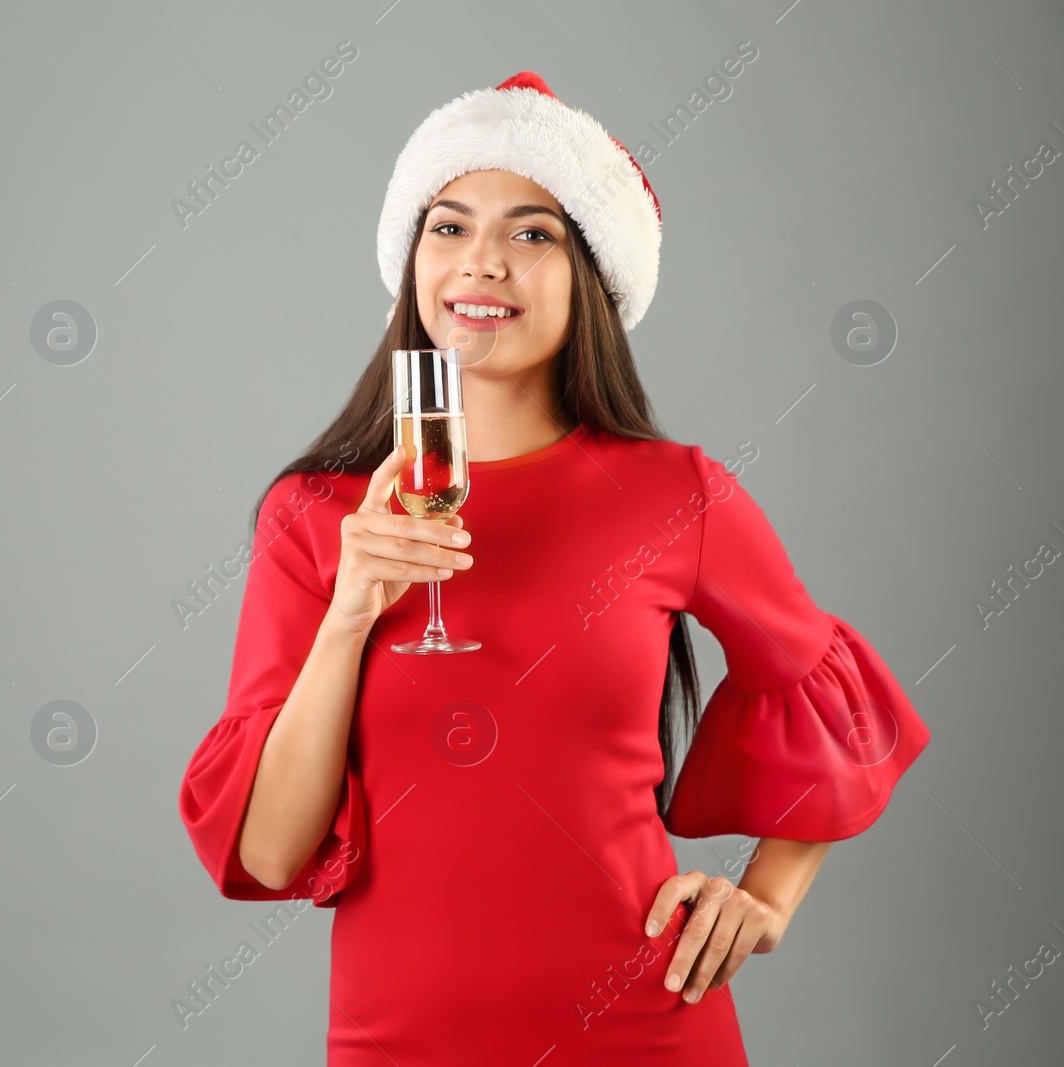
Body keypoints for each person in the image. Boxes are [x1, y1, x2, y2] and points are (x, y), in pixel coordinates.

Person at [177, 70, 930, 1064]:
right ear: (411, 262)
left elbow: (838, 702)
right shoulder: (315, 516)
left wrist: (762, 898)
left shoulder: (677, 496)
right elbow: (270, 849)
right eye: (447, 227)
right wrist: (353, 607)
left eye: (531, 233)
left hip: (645, 1026)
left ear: (592, 278)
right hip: (397, 1039)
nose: (481, 262)